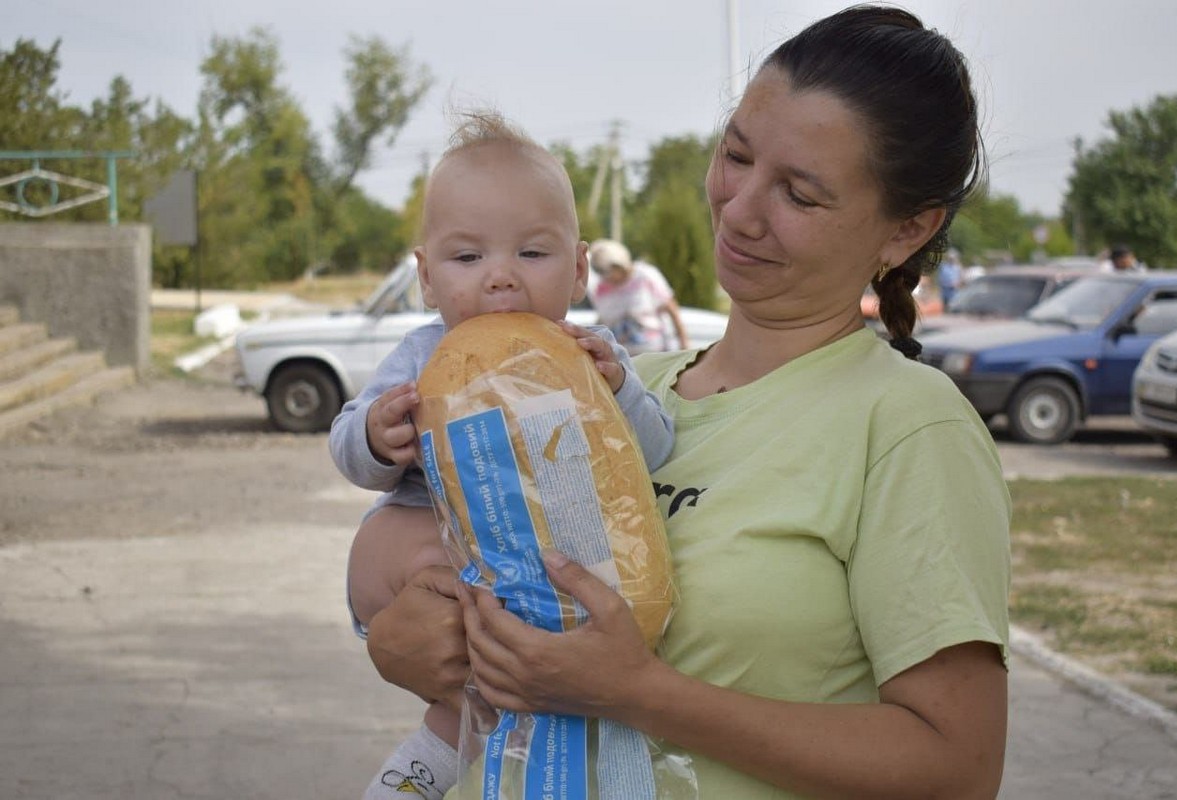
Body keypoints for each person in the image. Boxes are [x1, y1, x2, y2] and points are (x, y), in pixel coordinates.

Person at [364, 6, 1012, 798]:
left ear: (905, 230)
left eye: (799, 196)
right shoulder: (621, 385)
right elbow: (454, 553)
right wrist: (405, 641)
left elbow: (958, 767)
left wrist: (640, 692)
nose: (739, 209)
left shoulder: (910, 426)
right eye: (735, 155)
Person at [329, 112, 674, 800]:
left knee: (513, 689)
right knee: (460, 675)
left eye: (532, 254)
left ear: (578, 269)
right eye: (468, 258)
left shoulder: (584, 351)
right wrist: (376, 435)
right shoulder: (423, 354)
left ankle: (491, 762)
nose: (500, 279)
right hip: (443, 557)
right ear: (427, 278)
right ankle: (420, 769)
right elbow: (344, 442)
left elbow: (656, 449)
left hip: (543, 569)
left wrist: (621, 388)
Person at [588, 239, 691, 354]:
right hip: (620, 356)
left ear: (619, 265)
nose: (605, 277)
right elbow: (602, 319)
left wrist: (684, 343)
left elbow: (671, 308)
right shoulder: (602, 287)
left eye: (607, 272)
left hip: (653, 352)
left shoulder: (645, 276)